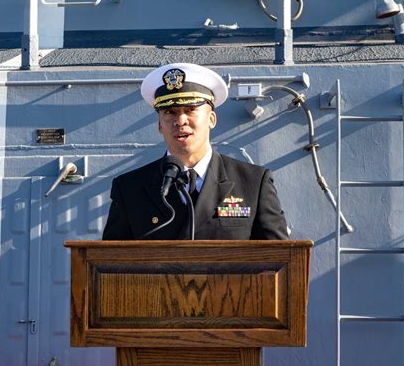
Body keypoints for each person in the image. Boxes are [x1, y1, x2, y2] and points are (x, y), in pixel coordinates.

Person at [102, 62, 288, 241]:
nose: (180, 120)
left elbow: (281, 259)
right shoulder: (130, 189)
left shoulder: (254, 183)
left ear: (212, 119)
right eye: (169, 112)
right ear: (159, 125)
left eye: (190, 109)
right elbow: (108, 263)